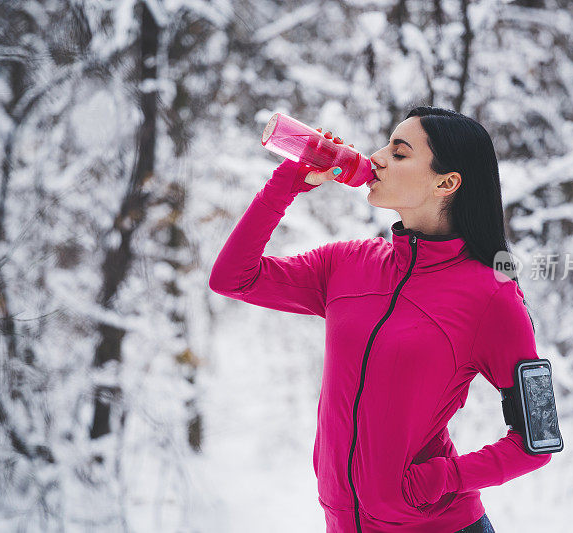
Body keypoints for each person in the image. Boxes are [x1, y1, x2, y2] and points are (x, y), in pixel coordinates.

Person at [209, 106, 552, 532]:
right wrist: (287, 185)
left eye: (400, 152)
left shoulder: (491, 294)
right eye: (385, 144)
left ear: (447, 183)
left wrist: (439, 481)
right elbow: (233, 279)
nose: (377, 158)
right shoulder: (347, 264)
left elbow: (537, 439)